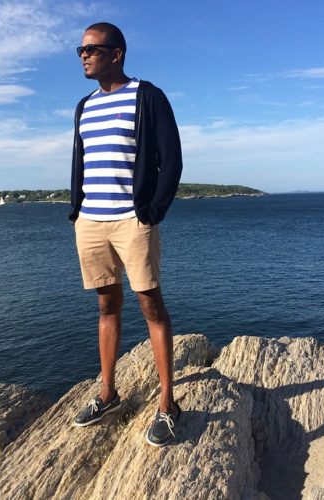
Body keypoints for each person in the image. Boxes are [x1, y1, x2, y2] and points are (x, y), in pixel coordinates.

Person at [69, 22, 183, 447]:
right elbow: (82, 160)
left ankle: (168, 403)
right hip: (90, 221)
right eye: (81, 50)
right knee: (106, 304)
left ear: (116, 54)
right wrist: (77, 210)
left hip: (132, 221)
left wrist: (152, 212)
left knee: (151, 305)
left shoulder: (147, 96)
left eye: (92, 49)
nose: (84, 55)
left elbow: (172, 159)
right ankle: (107, 393)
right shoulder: (84, 106)